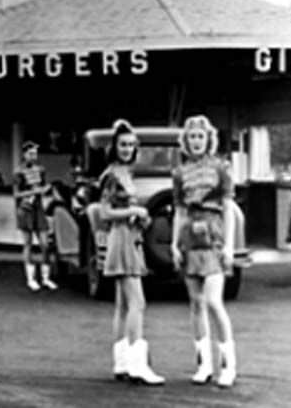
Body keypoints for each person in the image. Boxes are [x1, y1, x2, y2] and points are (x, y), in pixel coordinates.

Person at [170, 114, 238, 388]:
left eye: (200, 136)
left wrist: (230, 245)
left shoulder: (221, 168)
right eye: (192, 137)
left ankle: (228, 365)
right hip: (190, 238)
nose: (196, 141)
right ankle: (204, 365)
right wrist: (174, 244)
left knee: (213, 302)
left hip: (214, 236)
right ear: (185, 141)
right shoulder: (179, 173)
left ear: (208, 139)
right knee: (196, 303)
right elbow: (179, 211)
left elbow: (228, 208)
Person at [98, 119, 164, 385]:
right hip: (122, 238)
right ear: (114, 146)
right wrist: (134, 211)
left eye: (131, 145)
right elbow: (104, 212)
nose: (126, 149)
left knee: (124, 305)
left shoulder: (126, 173)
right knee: (138, 302)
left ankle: (122, 363)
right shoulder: (112, 175)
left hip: (129, 236)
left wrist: (140, 218)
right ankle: (137, 366)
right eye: (122, 144)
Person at [14, 140, 57, 292]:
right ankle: (31, 278)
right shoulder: (18, 172)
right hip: (25, 209)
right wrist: (33, 192)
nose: (33, 156)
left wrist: (46, 190)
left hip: (39, 209)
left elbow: (43, 187)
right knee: (28, 244)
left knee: (45, 244)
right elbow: (16, 194)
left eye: (35, 153)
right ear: (24, 154)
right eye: (31, 153)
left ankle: (46, 278)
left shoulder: (41, 169)